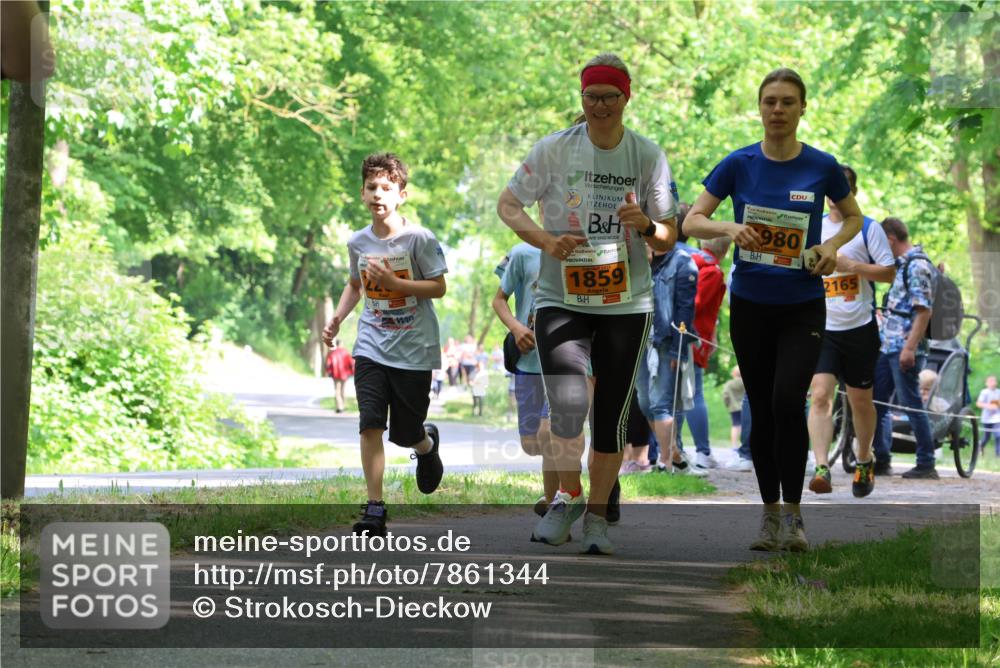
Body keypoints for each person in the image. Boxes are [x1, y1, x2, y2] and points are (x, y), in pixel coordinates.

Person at [497, 52, 679, 555]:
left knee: (611, 414)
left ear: (626, 98)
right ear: (581, 98)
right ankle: (568, 496)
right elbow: (508, 204)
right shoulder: (554, 150)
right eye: (591, 96)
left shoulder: (646, 156)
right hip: (562, 298)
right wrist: (544, 240)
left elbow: (668, 236)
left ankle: (597, 518)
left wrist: (644, 224)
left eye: (609, 96)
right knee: (568, 404)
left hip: (625, 303)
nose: (599, 105)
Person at [684, 68, 862, 552]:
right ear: (759, 108)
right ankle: (769, 515)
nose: (777, 110)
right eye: (769, 101)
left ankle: (795, 516)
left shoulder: (822, 166)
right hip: (751, 304)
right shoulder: (738, 164)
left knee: (789, 400)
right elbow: (691, 220)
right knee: (760, 407)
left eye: (787, 101)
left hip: (802, 304)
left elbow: (854, 217)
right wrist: (729, 228)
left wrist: (829, 246)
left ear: (803, 108)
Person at [322, 153, 446, 536]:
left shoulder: (419, 239)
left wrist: (398, 285)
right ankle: (375, 506)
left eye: (387, 188)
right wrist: (339, 317)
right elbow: (355, 284)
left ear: (401, 195)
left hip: (413, 348)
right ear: (362, 193)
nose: (379, 194)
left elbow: (439, 287)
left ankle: (425, 446)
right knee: (370, 424)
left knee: (405, 432)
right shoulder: (358, 242)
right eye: (372, 187)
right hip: (371, 345)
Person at [806, 166, 896, 498]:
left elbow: (889, 273)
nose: (833, 196)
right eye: (829, 189)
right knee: (819, 396)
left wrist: (852, 267)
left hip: (859, 328)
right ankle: (821, 467)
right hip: (822, 326)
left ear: (852, 192)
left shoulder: (867, 228)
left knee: (860, 401)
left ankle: (863, 459)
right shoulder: (813, 227)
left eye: (841, 189)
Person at [492, 242, 558, 511]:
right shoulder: (521, 254)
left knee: (550, 434)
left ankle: (556, 499)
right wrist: (517, 328)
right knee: (531, 444)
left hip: (565, 361)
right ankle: (567, 468)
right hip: (528, 361)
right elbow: (498, 300)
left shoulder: (584, 250)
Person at [635, 242, 706, 477]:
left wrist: (679, 349)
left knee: (661, 403)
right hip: (639, 340)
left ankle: (666, 463)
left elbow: (686, 309)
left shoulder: (683, 262)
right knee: (645, 402)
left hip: (666, 340)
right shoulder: (634, 256)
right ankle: (674, 454)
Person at [880, 216, 939, 479]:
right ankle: (880, 458)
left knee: (911, 402)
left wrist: (910, 348)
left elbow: (923, 311)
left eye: (882, 242)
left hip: (904, 345)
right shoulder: (902, 265)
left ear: (891, 239)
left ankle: (926, 462)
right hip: (887, 344)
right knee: (876, 400)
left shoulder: (916, 266)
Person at [325, 339, 356, 413]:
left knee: (337, 390)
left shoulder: (333, 353)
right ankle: (343, 406)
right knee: (343, 390)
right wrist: (352, 372)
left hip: (335, 374)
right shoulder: (346, 353)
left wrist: (328, 372)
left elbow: (328, 364)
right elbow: (351, 363)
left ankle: (339, 406)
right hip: (345, 375)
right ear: (341, 344)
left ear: (336, 344)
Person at [722, 366, 745, 450]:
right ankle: (744, 444)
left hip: (733, 408)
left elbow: (725, 396)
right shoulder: (744, 383)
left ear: (733, 374)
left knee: (735, 425)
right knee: (745, 425)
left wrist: (727, 404)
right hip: (745, 407)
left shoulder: (729, 384)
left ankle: (734, 445)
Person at [977, 376, 1000, 456]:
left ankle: (998, 454)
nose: (992, 383)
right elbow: (979, 403)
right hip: (987, 418)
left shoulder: (998, 392)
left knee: (998, 435)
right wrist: (989, 406)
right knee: (987, 437)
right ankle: (980, 446)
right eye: (990, 381)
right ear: (987, 383)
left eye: (993, 381)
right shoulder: (984, 392)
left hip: (997, 418)